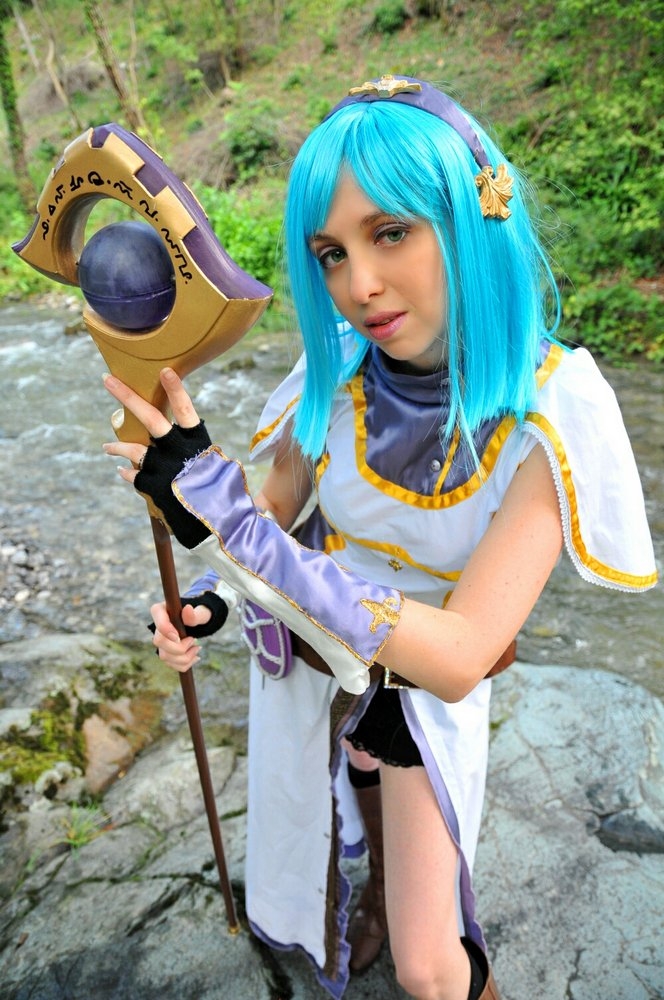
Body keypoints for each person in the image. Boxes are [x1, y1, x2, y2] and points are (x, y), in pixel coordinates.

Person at [102, 75, 658, 1000]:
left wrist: (228, 525)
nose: (358, 287)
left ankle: (407, 912)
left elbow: (461, 654)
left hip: (424, 682)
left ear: (473, 218)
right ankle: (376, 891)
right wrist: (210, 598)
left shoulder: (554, 410)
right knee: (348, 776)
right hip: (318, 655)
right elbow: (273, 519)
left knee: (430, 968)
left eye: (390, 232)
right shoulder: (337, 376)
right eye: (330, 253)